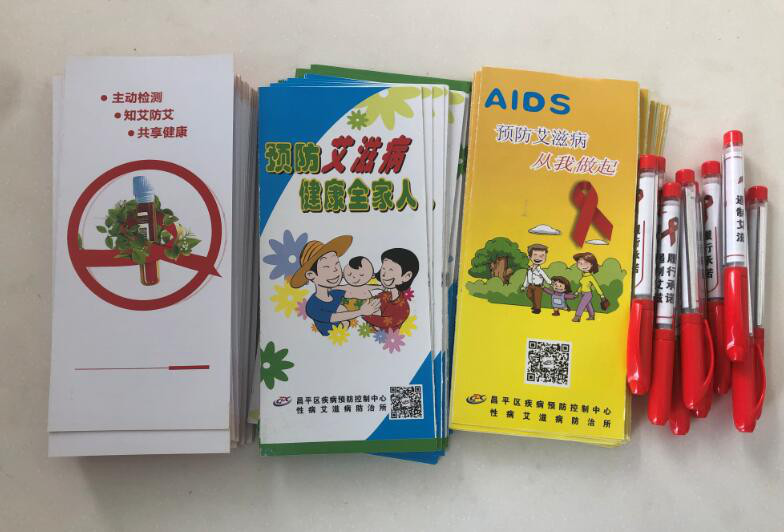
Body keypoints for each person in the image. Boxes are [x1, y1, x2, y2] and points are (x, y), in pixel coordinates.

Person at [289, 236, 380, 336]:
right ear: (311, 275)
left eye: (336, 263)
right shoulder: (312, 306)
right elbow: (334, 317)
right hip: (332, 340)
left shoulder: (336, 293)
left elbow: (355, 290)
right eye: (326, 266)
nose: (335, 270)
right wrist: (361, 311)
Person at [363, 248, 418, 332]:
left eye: (391, 270)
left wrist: (365, 314)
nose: (384, 274)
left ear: (406, 276)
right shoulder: (383, 295)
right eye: (383, 268)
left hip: (387, 337)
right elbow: (367, 303)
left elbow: (385, 323)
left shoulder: (403, 307)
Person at [572, 252, 609, 322]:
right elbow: (582, 286)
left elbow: (596, 286)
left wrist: (601, 294)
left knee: (581, 305)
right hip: (582, 293)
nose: (582, 265)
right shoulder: (583, 276)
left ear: (591, 264)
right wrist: (577, 292)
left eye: (586, 263)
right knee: (588, 305)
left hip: (588, 294)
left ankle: (577, 317)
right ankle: (592, 316)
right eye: (580, 263)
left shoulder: (590, 277)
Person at [522, 243, 551, 314]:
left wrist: (550, 283)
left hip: (538, 286)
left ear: (545, 257)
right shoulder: (529, 269)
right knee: (529, 295)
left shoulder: (540, 271)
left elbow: (545, 277)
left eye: (542, 256)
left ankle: (537, 309)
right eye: (535, 255)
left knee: (537, 298)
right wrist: (524, 286)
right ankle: (535, 305)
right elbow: (527, 278)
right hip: (530, 285)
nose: (538, 258)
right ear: (529, 257)